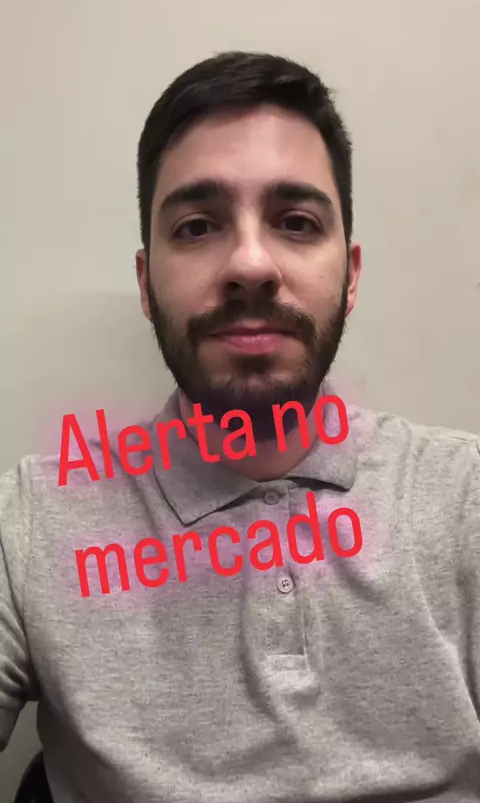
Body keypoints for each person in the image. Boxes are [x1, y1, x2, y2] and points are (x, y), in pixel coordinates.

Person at [1, 51, 479, 803]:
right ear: (145, 284)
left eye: (295, 223)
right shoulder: (34, 521)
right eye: (197, 227)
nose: (251, 264)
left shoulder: (464, 499)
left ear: (351, 274)